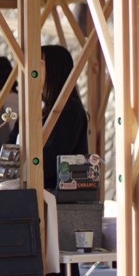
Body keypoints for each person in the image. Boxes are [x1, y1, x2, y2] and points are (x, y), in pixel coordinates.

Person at [40, 44, 89, 191]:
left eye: (40, 63)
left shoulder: (70, 109)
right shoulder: (38, 108)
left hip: (59, 196)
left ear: (54, 70)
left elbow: (54, 158)